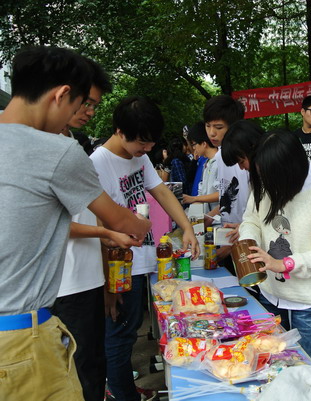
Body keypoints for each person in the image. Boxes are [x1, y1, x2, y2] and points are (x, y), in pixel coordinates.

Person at [0, 46, 151, 401]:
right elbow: (124, 222)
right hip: (22, 339)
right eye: (78, 105)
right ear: (61, 95)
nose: (76, 116)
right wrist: (141, 224)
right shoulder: (57, 151)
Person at [90, 96, 199, 401]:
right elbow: (99, 229)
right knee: (120, 337)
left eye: (151, 143)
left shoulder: (138, 157)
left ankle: (124, 387)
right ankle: (122, 394)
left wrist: (187, 227)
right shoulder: (96, 164)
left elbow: (161, 191)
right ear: (119, 131)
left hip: (143, 262)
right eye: (142, 142)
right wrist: (108, 287)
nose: (147, 149)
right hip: (120, 266)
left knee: (130, 329)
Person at [52, 57, 131, 401]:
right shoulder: (43, 149)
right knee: (77, 369)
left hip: (89, 278)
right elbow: (56, 223)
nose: (89, 112)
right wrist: (108, 233)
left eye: (94, 106)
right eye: (86, 103)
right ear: (61, 94)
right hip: (64, 283)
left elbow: (92, 215)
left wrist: (107, 281)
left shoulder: (73, 145)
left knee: (93, 365)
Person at [238, 130, 311, 361]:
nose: (266, 185)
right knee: (267, 365)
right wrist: (248, 243)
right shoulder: (267, 182)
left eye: (269, 178)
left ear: (290, 170)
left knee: (299, 371)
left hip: (308, 304)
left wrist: (283, 263)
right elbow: (251, 219)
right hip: (271, 294)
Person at [203, 95, 248, 271]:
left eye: (218, 127)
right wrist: (209, 217)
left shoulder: (244, 158)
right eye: (208, 126)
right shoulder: (220, 156)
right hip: (226, 235)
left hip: (245, 239)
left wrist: (232, 246)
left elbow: (254, 206)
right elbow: (227, 197)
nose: (211, 133)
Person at [182, 121, 219, 216]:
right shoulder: (207, 163)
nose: (193, 148)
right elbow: (202, 192)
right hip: (210, 217)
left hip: (221, 219)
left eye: (194, 144)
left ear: (204, 143)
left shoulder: (221, 162)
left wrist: (194, 199)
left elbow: (223, 194)